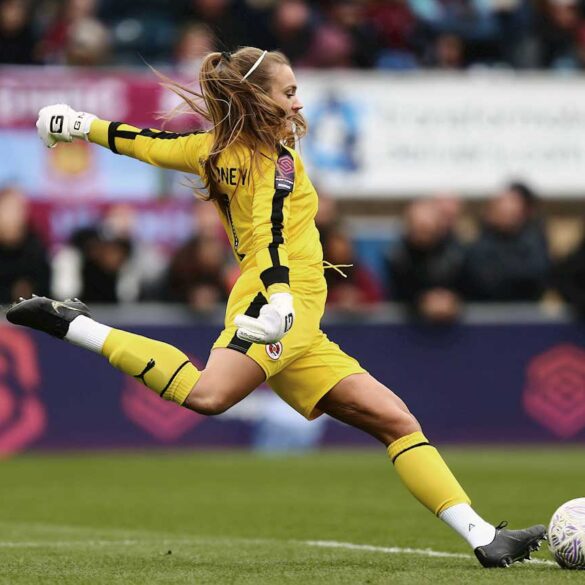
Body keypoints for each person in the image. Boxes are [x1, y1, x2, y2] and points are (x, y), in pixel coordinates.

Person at [6, 47, 545, 568]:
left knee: (395, 420)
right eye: (289, 92)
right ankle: (74, 325)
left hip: (299, 320)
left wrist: (80, 124)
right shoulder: (276, 162)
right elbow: (269, 233)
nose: (299, 103)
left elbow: (144, 143)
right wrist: (281, 299)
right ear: (259, 99)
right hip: (278, 307)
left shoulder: (213, 149)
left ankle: (483, 538)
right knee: (209, 394)